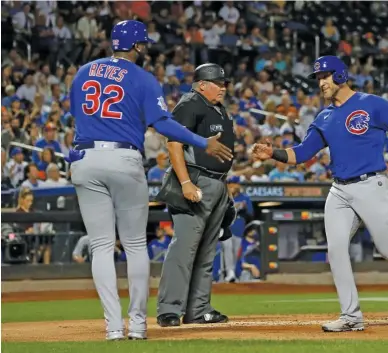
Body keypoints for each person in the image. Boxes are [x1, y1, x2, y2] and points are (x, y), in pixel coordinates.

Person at [67, 20, 233, 341]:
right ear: (139, 46)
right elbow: (162, 124)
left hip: (85, 158)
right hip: (123, 158)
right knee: (134, 244)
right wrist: (201, 142)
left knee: (101, 246)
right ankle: (139, 324)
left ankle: (114, 328)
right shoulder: (143, 78)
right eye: (145, 45)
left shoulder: (83, 70)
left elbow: (77, 113)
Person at [252, 55, 388, 332]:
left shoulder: (371, 103)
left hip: (372, 185)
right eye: (318, 78)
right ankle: (351, 316)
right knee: (336, 249)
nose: (321, 82)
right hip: (339, 190)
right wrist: (273, 154)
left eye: (325, 76)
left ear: (340, 75)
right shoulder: (324, 117)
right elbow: (303, 154)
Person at [157, 63, 236, 327]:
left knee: (207, 251)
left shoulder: (217, 108)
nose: (223, 87)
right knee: (184, 248)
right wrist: (186, 182)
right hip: (195, 180)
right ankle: (169, 309)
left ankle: (198, 309)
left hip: (217, 183)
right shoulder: (190, 103)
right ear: (202, 84)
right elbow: (173, 142)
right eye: (218, 83)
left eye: (224, 83)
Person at [221, 175, 253, 282]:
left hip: (239, 229)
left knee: (235, 252)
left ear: (238, 185)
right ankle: (229, 272)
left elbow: (251, 215)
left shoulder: (245, 198)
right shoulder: (224, 197)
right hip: (226, 228)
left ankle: (233, 273)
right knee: (228, 249)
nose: (232, 186)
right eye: (230, 184)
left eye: (234, 184)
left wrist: (244, 207)